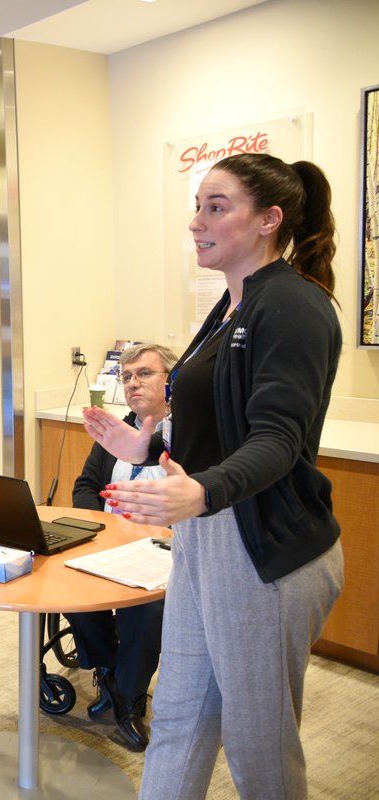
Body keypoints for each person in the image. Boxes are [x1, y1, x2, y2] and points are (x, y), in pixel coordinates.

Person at [83, 153, 344, 799]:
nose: (196, 221)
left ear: (268, 220)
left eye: (216, 207)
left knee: (259, 745)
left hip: (262, 549)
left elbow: (278, 438)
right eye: (198, 205)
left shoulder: (293, 306)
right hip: (205, 537)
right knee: (178, 717)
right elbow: (215, 418)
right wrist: (145, 442)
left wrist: (202, 489)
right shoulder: (232, 306)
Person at [66, 343, 175, 751]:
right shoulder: (117, 429)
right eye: (126, 376)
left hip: (164, 548)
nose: (133, 383)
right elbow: (85, 485)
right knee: (63, 580)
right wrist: (102, 530)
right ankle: (111, 672)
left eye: (144, 373)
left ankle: (127, 700)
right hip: (110, 542)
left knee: (146, 607)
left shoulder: (186, 434)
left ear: (171, 381)